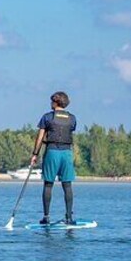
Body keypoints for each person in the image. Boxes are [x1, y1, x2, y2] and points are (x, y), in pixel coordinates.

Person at [30, 91, 78, 225]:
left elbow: (40, 137)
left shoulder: (47, 117)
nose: (51, 103)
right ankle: (69, 217)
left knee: (48, 184)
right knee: (67, 185)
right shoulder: (72, 118)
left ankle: (46, 217)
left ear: (56, 102)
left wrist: (35, 154)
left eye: (52, 101)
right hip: (67, 153)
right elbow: (71, 130)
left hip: (52, 152)